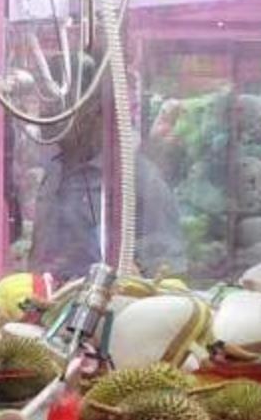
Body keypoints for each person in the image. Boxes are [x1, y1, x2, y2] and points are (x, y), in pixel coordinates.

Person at [30, 92, 187, 283]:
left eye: (60, 110)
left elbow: (166, 265)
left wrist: (139, 276)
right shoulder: (56, 171)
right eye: (47, 109)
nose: (48, 118)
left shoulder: (137, 178)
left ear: (96, 117)